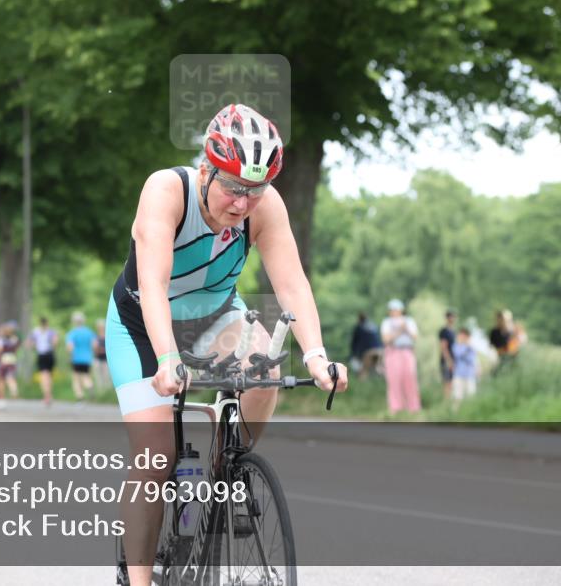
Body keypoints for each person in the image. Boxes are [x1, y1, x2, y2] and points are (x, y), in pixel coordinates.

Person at [105, 103, 347, 584]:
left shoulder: (266, 207)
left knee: (267, 366)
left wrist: (317, 356)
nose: (241, 203)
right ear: (206, 169)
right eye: (233, 187)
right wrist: (168, 359)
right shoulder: (165, 191)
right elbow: (153, 284)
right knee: (156, 456)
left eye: (254, 191)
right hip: (142, 321)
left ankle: (228, 466)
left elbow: (292, 285)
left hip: (215, 316)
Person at [380, 299, 421, 414]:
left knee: (410, 378)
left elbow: (414, 336)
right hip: (393, 351)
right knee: (394, 380)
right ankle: (395, 408)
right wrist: (399, 329)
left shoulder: (409, 321)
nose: (394, 312)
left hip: (407, 351)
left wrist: (405, 327)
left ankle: (413, 408)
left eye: (396, 309)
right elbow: (386, 339)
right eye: (392, 310)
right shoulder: (386, 322)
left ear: (401, 310)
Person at [66, 311, 97, 401]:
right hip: (87, 358)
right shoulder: (89, 332)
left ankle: (80, 396)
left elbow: (70, 347)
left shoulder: (72, 333)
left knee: (76, 378)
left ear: (74, 321)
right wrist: (93, 354)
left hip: (76, 358)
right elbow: (94, 345)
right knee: (86, 375)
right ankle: (90, 385)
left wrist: (70, 355)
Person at [31, 317, 58, 406]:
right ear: (47, 323)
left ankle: (46, 395)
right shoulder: (51, 331)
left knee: (43, 376)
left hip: (41, 355)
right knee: (49, 376)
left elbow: (30, 343)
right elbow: (55, 342)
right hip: (50, 354)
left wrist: (34, 346)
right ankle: (49, 394)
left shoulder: (36, 332)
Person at [0, 321, 20, 405]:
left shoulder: (0, 339)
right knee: (10, 376)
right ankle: (13, 389)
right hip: (12, 359)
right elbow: (16, 348)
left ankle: (1, 398)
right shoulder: (15, 339)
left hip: (3, 359)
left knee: (1, 379)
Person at [349, 312, 382, 379]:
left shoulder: (359, 327)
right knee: (378, 368)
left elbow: (354, 343)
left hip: (368, 351)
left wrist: (353, 354)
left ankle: (362, 387)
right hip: (379, 350)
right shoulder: (373, 326)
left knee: (364, 371)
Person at [451, 328, 478, 406]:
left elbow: (472, 359)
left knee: (471, 395)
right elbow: (458, 354)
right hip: (458, 374)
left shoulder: (471, 346)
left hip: (469, 374)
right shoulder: (456, 345)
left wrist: (468, 346)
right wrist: (466, 348)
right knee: (457, 396)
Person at [438, 310, 457, 399]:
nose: (451, 319)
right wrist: (449, 360)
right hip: (446, 360)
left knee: (453, 382)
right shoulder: (444, 331)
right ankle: (447, 402)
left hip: (454, 360)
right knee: (447, 382)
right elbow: (443, 347)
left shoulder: (454, 331)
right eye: (450, 317)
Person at [489, 310, 514, 375]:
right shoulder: (494, 331)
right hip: (497, 352)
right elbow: (491, 344)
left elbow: (511, 343)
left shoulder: (509, 331)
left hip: (507, 353)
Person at [94, 318, 110, 390]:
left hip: (106, 360)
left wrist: (100, 349)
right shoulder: (96, 337)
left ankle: (107, 392)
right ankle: (101, 392)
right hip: (98, 359)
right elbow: (95, 349)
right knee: (99, 377)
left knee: (107, 377)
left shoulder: (108, 336)